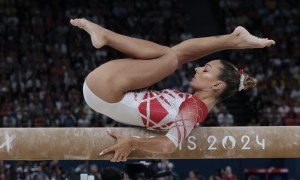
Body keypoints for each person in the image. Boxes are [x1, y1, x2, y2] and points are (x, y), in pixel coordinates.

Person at [70, 18, 275, 162]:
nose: (197, 68)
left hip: (105, 90)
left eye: (205, 69)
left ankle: (105, 35)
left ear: (216, 85)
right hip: (106, 92)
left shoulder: (194, 109)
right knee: (176, 55)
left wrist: (132, 142)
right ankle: (234, 39)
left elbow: (168, 146)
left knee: (170, 58)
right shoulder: (194, 105)